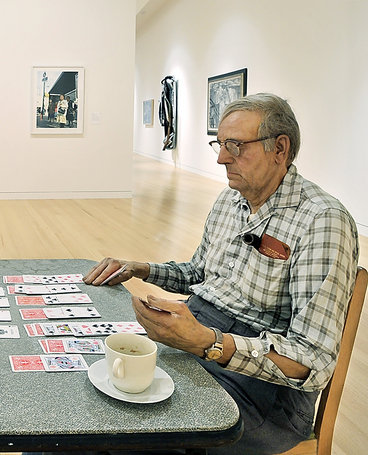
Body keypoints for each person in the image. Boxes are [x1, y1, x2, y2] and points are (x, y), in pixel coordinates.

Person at [84, 93, 359, 454]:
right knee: (79, 411)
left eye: (235, 145)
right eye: (219, 142)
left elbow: (313, 362)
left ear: (280, 148)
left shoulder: (322, 222)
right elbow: (201, 272)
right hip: (198, 337)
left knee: (120, 436)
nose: (220, 157)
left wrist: (207, 342)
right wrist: (140, 268)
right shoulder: (231, 199)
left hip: (264, 390)